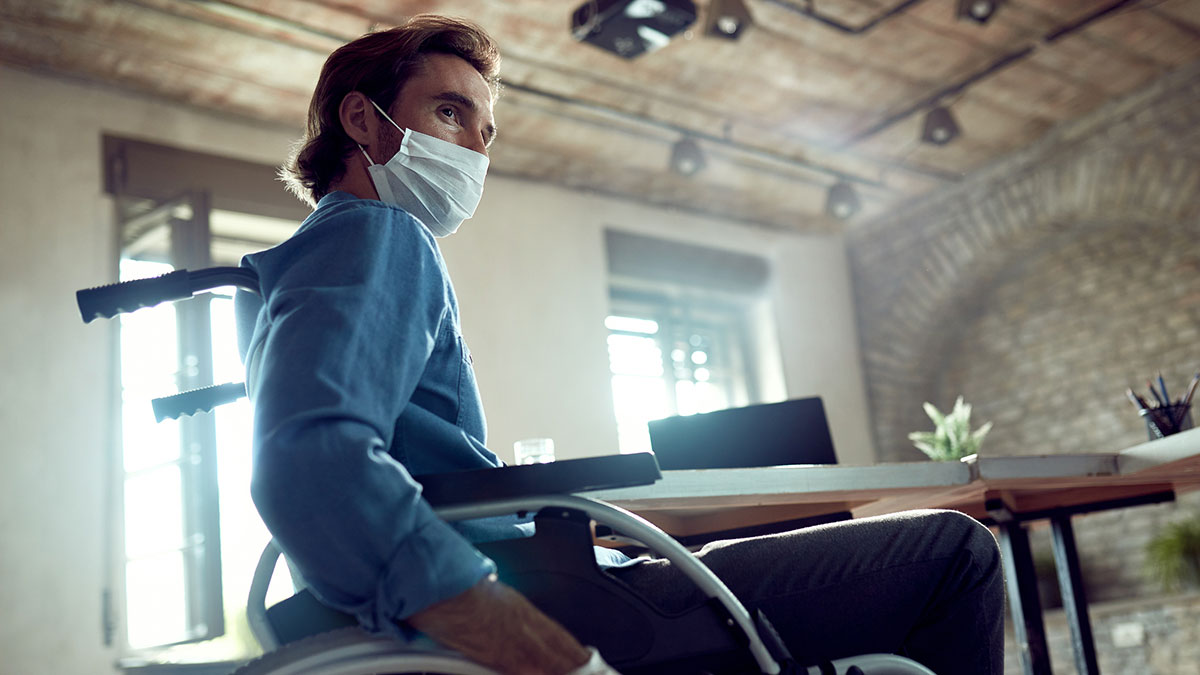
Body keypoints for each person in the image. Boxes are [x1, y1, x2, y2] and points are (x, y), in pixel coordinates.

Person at [237, 14, 1004, 675]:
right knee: (954, 555)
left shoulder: (311, 259)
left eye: (486, 129)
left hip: (543, 567)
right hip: (547, 599)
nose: (475, 148)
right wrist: (551, 653)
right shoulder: (381, 235)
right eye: (449, 113)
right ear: (364, 122)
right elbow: (313, 468)